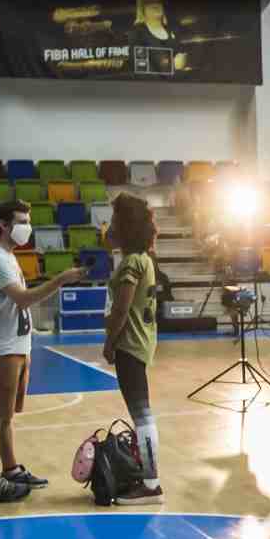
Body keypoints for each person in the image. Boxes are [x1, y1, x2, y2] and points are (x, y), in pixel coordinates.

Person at [0, 200, 88, 503]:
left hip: (15, 346)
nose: (28, 227)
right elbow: (23, 299)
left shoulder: (8, 256)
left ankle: (10, 470)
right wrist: (60, 280)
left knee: (6, 416)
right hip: (0, 349)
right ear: (3, 225)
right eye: (22, 221)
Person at [102, 193, 164, 502]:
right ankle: (148, 478)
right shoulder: (144, 259)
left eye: (115, 221)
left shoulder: (131, 263)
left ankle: (151, 485)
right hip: (142, 342)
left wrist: (109, 342)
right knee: (142, 414)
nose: (110, 226)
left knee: (142, 415)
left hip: (130, 345)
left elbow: (121, 310)